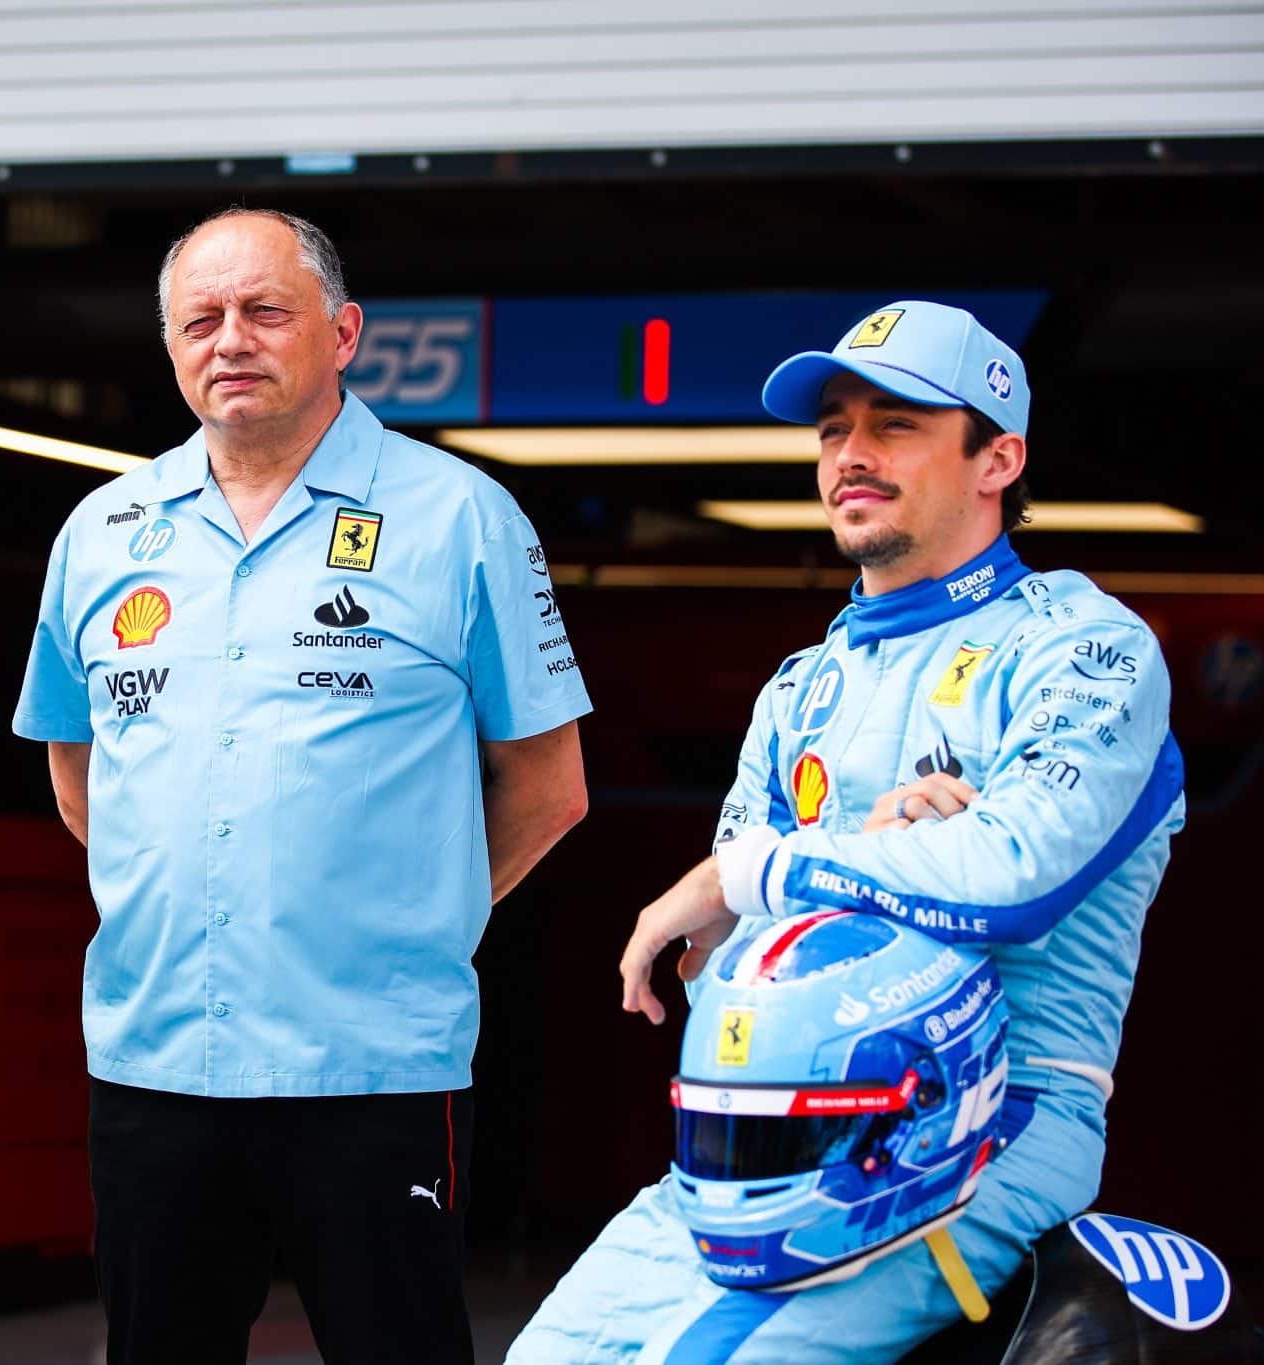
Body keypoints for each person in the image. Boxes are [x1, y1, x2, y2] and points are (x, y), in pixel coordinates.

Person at [507, 300, 1185, 1363]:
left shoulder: (1086, 649)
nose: (849, 455)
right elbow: (724, 971)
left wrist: (753, 872)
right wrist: (868, 858)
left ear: (996, 459)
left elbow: (1011, 875)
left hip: (982, 1125)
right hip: (754, 1137)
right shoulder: (800, 688)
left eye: (895, 424)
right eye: (833, 429)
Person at [13, 207, 592, 1364]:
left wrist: (407, 919)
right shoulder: (101, 530)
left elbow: (547, 786)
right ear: (170, 348)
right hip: (154, 1064)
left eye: (264, 310)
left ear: (343, 333)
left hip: (374, 1068)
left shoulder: (460, 518)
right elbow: (80, 777)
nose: (230, 339)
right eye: (200, 320)